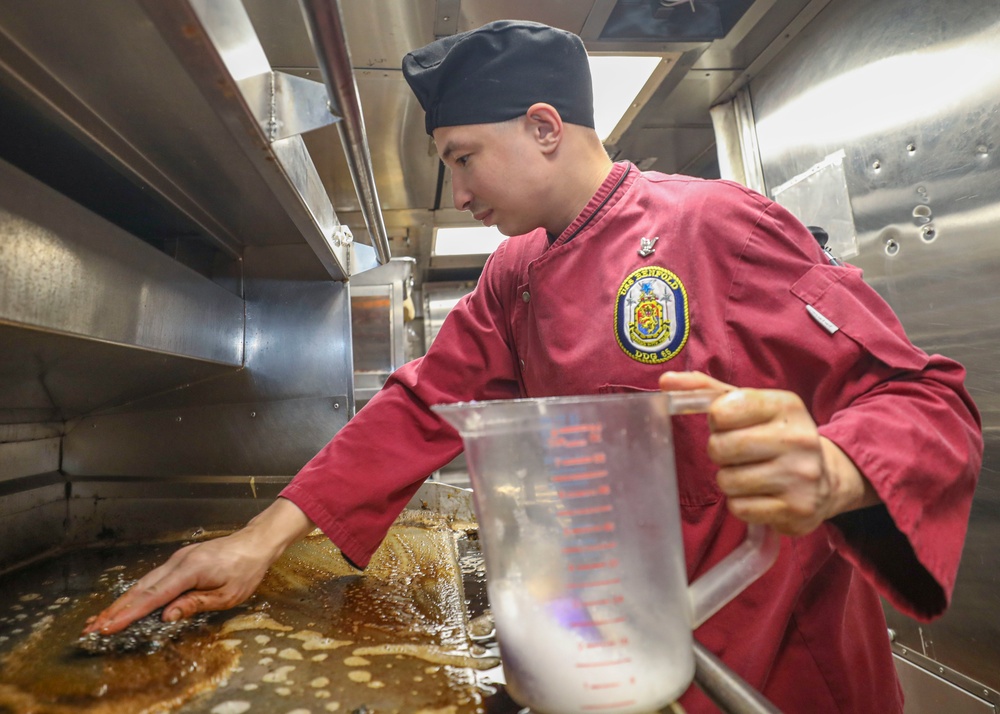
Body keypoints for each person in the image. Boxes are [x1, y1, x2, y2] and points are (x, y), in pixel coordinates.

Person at [86, 20, 982, 713]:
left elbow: (928, 401)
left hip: (772, 663)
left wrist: (834, 464)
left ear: (545, 127)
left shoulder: (715, 225)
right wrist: (259, 540)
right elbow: (419, 405)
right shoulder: (515, 274)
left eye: (463, 159)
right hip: (621, 657)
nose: (463, 192)